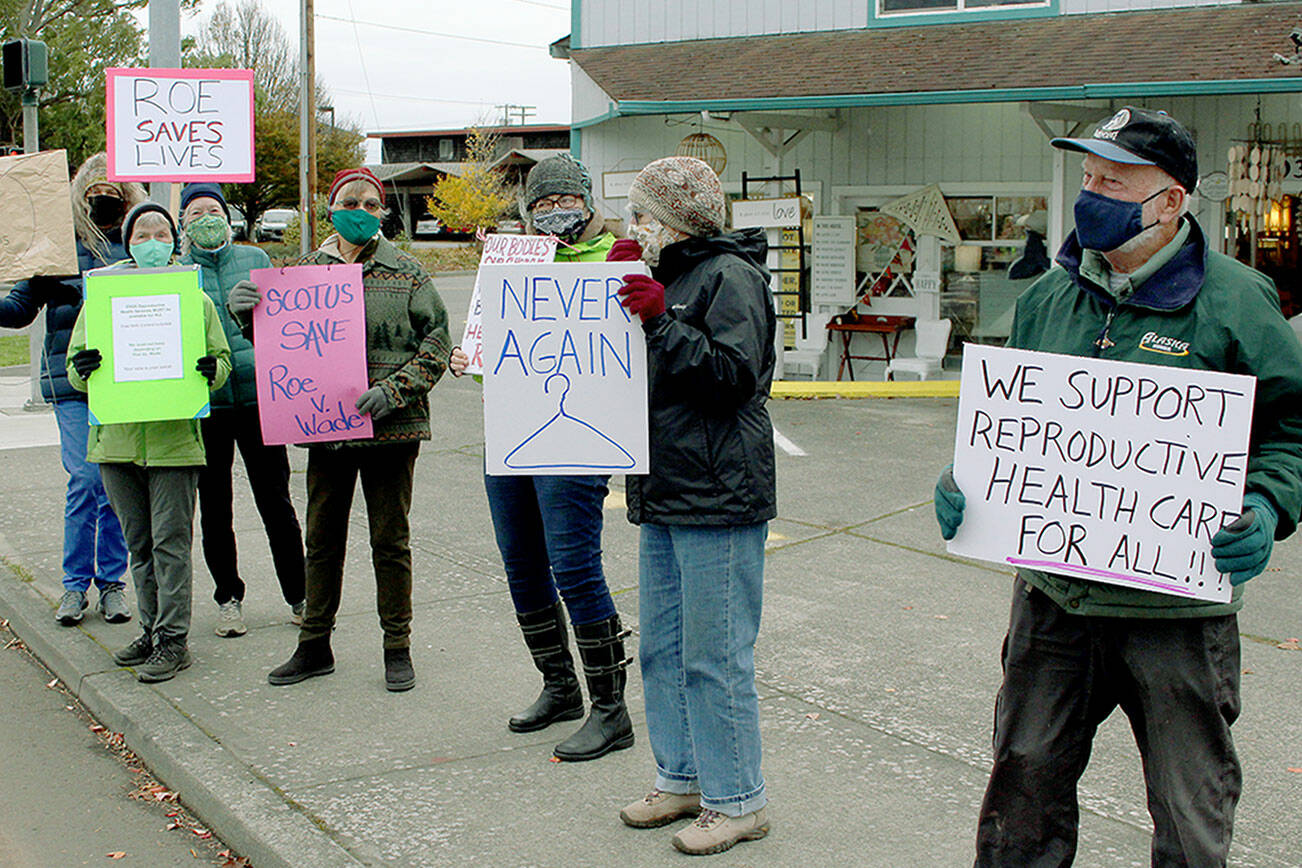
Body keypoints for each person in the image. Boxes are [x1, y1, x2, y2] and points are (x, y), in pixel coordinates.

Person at [933, 107, 1302, 867]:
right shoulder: (1046, 298)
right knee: (1022, 792)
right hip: (1053, 605)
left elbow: (1291, 432)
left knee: (1189, 811)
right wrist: (964, 480)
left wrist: (1267, 504)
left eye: (1115, 180)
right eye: (1090, 176)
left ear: (1171, 201)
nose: (1091, 192)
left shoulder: (1239, 301)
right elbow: (1011, 424)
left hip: (1176, 616)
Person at [611, 157, 775, 856]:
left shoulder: (730, 276)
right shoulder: (673, 274)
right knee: (663, 650)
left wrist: (657, 322)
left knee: (714, 654)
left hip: (719, 493)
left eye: (644, 213)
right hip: (670, 486)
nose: (635, 224)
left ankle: (739, 799)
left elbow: (735, 375)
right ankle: (681, 776)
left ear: (678, 218)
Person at [447, 154, 633, 762]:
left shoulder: (618, 259)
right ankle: (559, 686)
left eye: (565, 200)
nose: (555, 212)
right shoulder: (513, 262)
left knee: (575, 567)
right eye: (542, 203)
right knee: (521, 564)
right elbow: (497, 360)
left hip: (578, 439)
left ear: (586, 200)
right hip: (509, 433)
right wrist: (470, 361)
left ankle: (611, 710)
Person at [235, 168, 449, 692]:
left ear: (382, 212)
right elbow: (283, 350)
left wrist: (394, 391)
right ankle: (314, 645)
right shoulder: (302, 276)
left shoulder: (409, 273)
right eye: (349, 200)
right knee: (322, 538)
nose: (360, 208)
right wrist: (247, 317)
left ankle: (397, 647)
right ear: (329, 209)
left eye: (370, 203)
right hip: (325, 430)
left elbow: (437, 344)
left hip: (391, 432)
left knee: (389, 541)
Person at [67, 201, 232, 682]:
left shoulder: (193, 298)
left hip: (174, 444)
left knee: (171, 544)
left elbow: (219, 360)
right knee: (139, 545)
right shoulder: (101, 297)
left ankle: (174, 640)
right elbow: (78, 366)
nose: (152, 241)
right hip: (117, 444)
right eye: (142, 234)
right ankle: (152, 628)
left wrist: (211, 372)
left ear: (173, 240)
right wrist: (85, 370)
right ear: (127, 241)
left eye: (162, 232)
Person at [0, 153, 142, 626]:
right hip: (70, 383)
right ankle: (74, 586)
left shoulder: (139, 243)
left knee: (115, 487)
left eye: (112, 190)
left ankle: (113, 584)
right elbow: (20, 309)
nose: (102, 197)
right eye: (93, 189)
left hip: (124, 383)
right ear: (78, 194)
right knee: (86, 479)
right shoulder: (54, 247)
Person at [177, 182, 306, 637]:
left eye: (213, 209)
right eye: (194, 213)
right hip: (206, 404)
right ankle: (227, 598)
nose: (205, 218)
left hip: (259, 398)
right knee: (215, 508)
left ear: (228, 217)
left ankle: (299, 594)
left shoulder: (256, 260)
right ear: (183, 225)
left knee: (276, 502)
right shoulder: (176, 274)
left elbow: (284, 324)